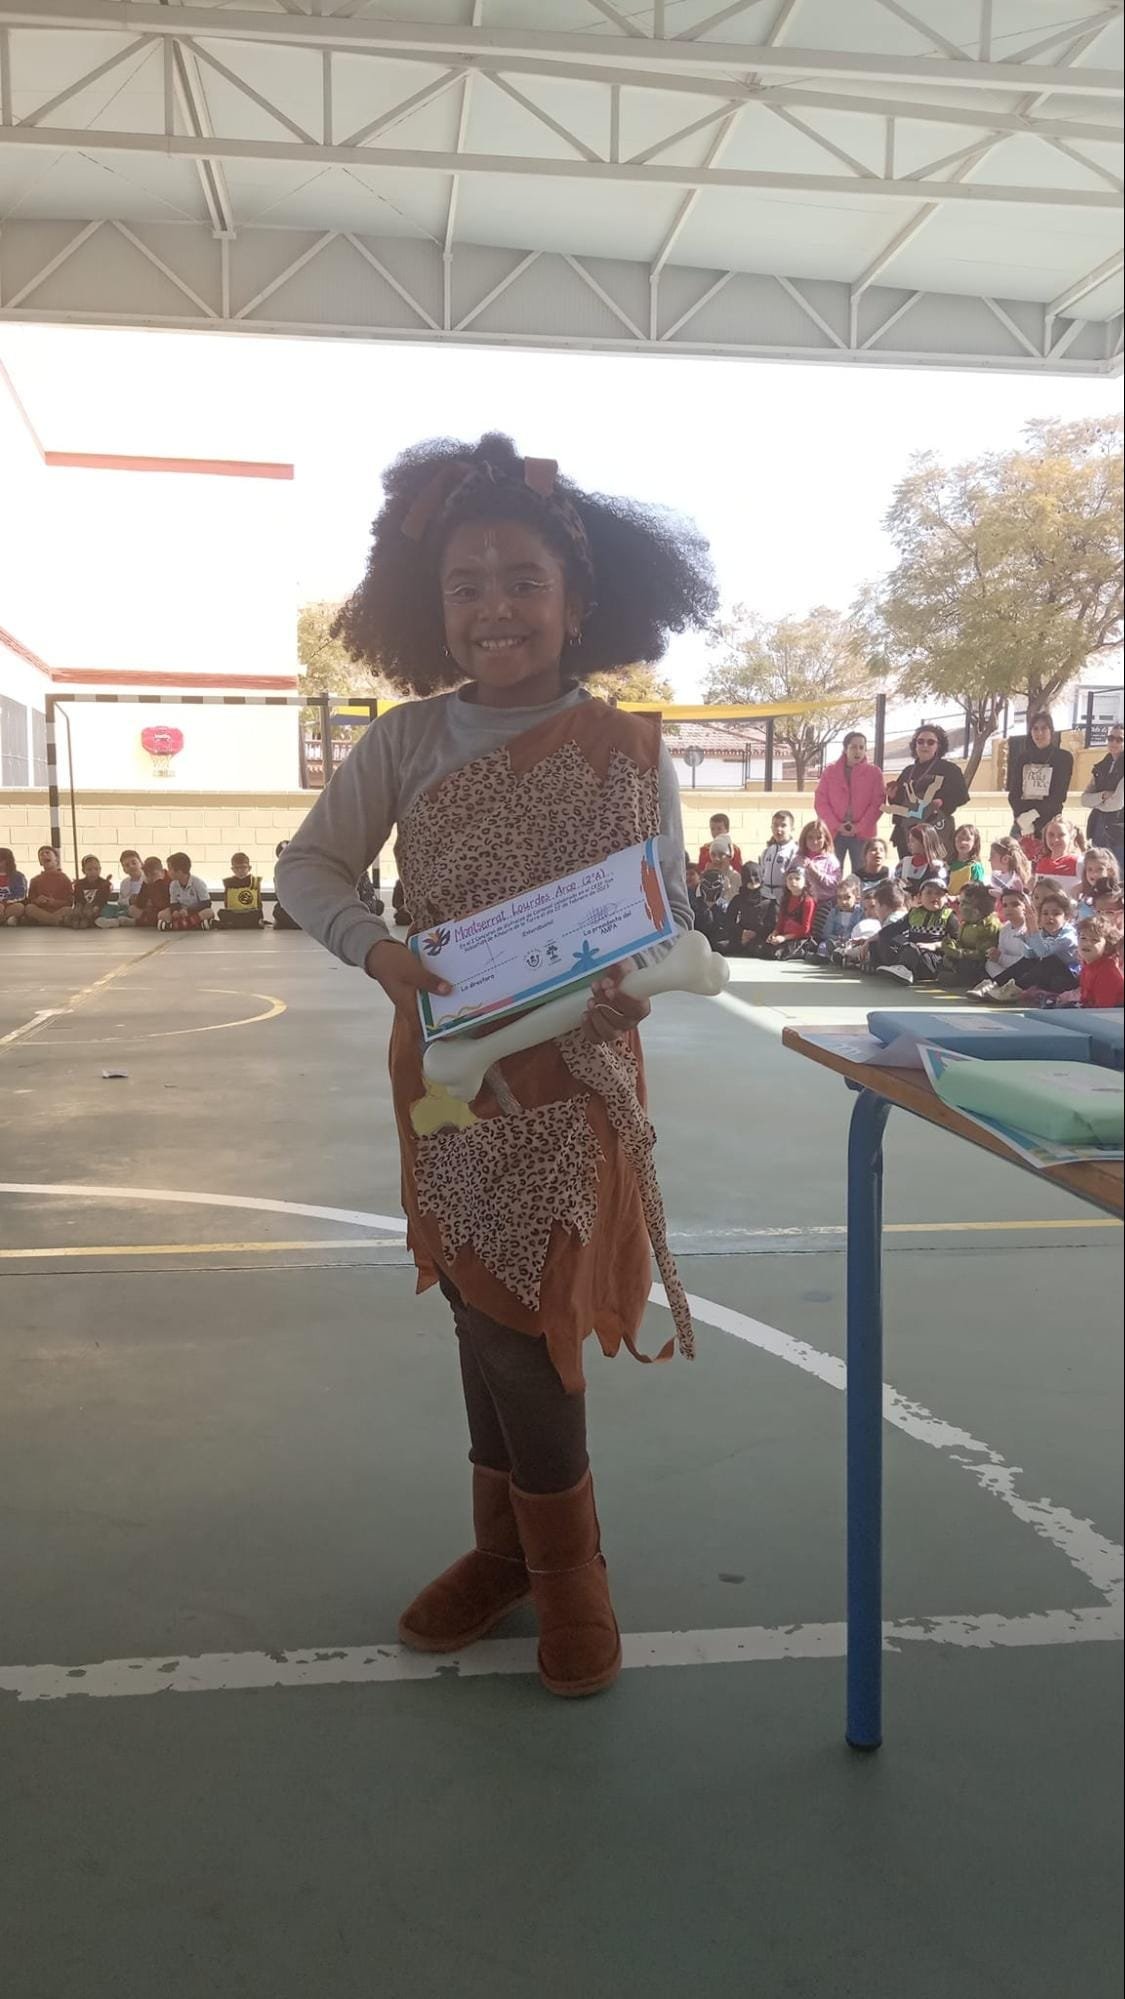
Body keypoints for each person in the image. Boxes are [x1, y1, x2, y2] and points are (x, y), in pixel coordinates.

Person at [274, 428, 716, 1700]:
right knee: (478, 1300)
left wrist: (637, 981)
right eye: (465, 585)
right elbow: (310, 867)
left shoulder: (632, 750)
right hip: (450, 1070)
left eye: (523, 579)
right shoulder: (404, 742)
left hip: (581, 1076)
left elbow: (672, 910)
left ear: (578, 602)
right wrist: (376, 949)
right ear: (433, 608)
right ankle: (506, 1551)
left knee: (536, 1318)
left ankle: (571, 1573)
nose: (494, 607)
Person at [969, 889, 1079, 1002]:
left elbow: (1043, 953)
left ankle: (1012, 989)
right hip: (1049, 979)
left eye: (1056, 914)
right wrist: (1027, 938)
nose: (1050, 917)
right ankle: (995, 984)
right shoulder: (1045, 933)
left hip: (1067, 981)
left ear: (1067, 917)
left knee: (1050, 960)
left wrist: (1033, 929)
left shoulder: (1068, 937)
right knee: (1029, 960)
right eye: (1045, 913)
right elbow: (1029, 955)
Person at [887, 723, 969, 863]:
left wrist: (942, 802)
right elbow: (899, 802)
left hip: (936, 831)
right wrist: (893, 796)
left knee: (935, 871)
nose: (925, 745)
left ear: (938, 746)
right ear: (915, 745)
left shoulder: (950, 769)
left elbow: (961, 795)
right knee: (908, 871)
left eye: (930, 742)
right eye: (920, 741)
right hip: (907, 833)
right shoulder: (908, 771)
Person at [814, 730, 886, 876]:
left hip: (862, 834)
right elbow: (821, 802)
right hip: (834, 833)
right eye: (853, 747)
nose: (857, 751)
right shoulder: (830, 771)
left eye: (861, 747)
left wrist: (858, 827)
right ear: (845, 749)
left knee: (862, 874)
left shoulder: (874, 773)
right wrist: (836, 825)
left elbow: (878, 804)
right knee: (830, 873)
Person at [869, 877, 958, 986]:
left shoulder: (949, 916)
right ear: (920, 896)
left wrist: (934, 945)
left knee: (911, 948)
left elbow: (956, 941)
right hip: (910, 951)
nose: (934, 896)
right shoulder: (914, 913)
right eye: (929, 893)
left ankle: (905, 970)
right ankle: (879, 965)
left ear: (946, 898)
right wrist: (870, 940)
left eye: (939, 894)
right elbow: (893, 929)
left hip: (930, 958)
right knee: (883, 940)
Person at [1007, 711, 1073, 856]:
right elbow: (1014, 794)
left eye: (1044, 728)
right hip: (1022, 824)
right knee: (1016, 864)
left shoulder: (1063, 758)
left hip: (1048, 825)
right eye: (1035, 728)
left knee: (1046, 867)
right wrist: (1024, 821)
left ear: (1051, 731)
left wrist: (1032, 815)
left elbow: (1058, 796)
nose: (1039, 733)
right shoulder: (1023, 758)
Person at [1080, 723, 1124, 868]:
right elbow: (1084, 799)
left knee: (1118, 873)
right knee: (1097, 870)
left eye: (1119, 739)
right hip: (1098, 826)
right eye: (1111, 738)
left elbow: (1117, 803)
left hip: (1119, 830)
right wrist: (1104, 795)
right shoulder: (1101, 766)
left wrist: (1096, 801)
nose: (1114, 742)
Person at [941, 881, 1000, 987]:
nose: (959, 906)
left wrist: (960, 953)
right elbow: (962, 943)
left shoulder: (988, 926)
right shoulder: (967, 923)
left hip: (977, 964)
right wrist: (952, 945)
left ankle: (965, 979)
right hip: (964, 957)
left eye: (964, 903)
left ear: (976, 910)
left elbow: (982, 954)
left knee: (968, 965)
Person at [796, 818, 840, 940]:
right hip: (801, 903)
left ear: (826, 839)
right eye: (810, 837)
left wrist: (815, 871)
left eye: (819, 837)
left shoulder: (830, 860)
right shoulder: (798, 859)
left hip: (824, 903)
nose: (814, 841)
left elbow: (834, 884)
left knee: (818, 934)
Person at [761, 863, 815, 959]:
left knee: (777, 954)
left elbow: (805, 930)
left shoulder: (808, 901)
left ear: (805, 882)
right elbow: (781, 922)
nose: (793, 881)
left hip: (799, 939)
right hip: (784, 937)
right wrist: (774, 933)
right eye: (790, 878)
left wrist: (784, 938)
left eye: (797, 879)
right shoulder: (785, 899)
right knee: (762, 949)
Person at [719, 862, 774, 957]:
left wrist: (756, 934)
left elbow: (772, 924)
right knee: (720, 946)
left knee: (757, 949)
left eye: (755, 877)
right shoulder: (738, 899)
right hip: (740, 936)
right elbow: (729, 920)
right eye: (748, 877)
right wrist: (742, 933)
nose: (752, 881)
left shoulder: (769, 901)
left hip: (761, 937)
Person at [1075, 915, 1125, 1009]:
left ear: (1107, 946)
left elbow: (1103, 1009)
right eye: (1083, 938)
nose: (1087, 943)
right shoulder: (1088, 964)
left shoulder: (1107, 971)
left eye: (1095, 940)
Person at [985, 888, 1032, 983]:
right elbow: (1000, 955)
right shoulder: (1004, 929)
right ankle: (1005, 983)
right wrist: (994, 954)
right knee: (989, 963)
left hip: (1025, 972)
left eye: (1015, 904)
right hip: (1006, 969)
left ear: (1025, 907)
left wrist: (1000, 957)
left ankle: (1002, 983)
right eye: (1005, 905)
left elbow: (1026, 962)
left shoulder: (1030, 929)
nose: (1009, 908)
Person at [19, 846, 74, 927]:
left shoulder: (64, 878)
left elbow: (69, 902)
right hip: (41, 911)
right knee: (29, 908)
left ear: (56, 859)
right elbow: (30, 900)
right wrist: (37, 900)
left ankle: (45, 921)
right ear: (40, 862)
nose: (44, 855)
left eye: (47, 853)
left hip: (58, 910)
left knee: (68, 910)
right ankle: (53, 921)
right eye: (42, 854)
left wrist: (54, 902)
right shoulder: (35, 880)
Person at [160, 852, 212, 931]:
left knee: (209, 912)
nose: (168, 872)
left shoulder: (198, 882)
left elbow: (206, 903)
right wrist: (175, 911)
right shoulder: (173, 885)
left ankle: (175, 926)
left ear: (179, 871)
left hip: (195, 912)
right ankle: (192, 925)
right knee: (161, 914)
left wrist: (189, 911)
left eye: (170, 869)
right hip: (181, 913)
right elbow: (174, 903)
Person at [816, 878, 864, 963]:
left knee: (856, 950)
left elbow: (860, 933)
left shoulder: (860, 913)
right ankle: (826, 958)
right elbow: (826, 933)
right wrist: (837, 939)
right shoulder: (834, 912)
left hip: (852, 943)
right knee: (823, 946)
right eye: (839, 898)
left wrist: (848, 940)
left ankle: (844, 958)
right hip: (835, 942)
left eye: (847, 897)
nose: (843, 902)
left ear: (857, 898)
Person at [836, 886, 883, 968]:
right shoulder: (862, 923)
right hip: (859, 945)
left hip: (875, 948)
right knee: (851, 949)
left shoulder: (885, 923)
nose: (868, 912)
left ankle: (857, 961)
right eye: (865, 909)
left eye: (872, 907)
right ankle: (845, 956)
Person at [1033, 817, 1083, 893]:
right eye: (1051, 835)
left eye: (1061, 835)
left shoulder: (1079, 863)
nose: (1055, 839)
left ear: (1071, 836)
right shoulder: (1040, 862)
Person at [896, 821, 946, 896]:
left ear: (924, 842)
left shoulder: (937, 868)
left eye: (913, 841)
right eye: (909, 841)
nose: (909, 844)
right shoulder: (903, 864)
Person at [219, 851, 265, 929]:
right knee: (222, 913)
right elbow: (226, 902)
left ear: (249, 868)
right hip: (234, 913)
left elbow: (259, 902)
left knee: (257, 914)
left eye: (243, 867)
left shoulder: (255, 881)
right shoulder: (228, 882)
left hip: (250, 913)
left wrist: (260, 917)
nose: (240, 871)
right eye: (237, 868)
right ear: (232, 869)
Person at [758, 809, 797, 899]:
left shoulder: (795, 851)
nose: (778, 829)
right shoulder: (767, 851)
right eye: (775, 825)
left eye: (783, 825)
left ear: (792, 828)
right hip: (766, 897)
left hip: (784, 898)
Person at [65, 853, 113, 929]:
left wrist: (96, 906)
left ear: (100, 869)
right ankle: (77, 919)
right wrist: (80, 907)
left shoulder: (104, 884)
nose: (93, 872)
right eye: (89, 869)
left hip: (98, 908)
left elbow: (103, 899)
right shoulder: (79, 884)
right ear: (83, 871)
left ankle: (89, 921)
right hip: (83, 907)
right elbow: (78, 899)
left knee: (90, 916)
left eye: (96, 869)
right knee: (74, 915)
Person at [1075, 846, 1120, 920]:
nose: (1094, 873)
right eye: (1090, 869)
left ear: (1110, 871)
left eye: (1100, 869)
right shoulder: (1083, 895)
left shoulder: (1115, 897)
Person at [987, 836, 1032, 902]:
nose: (989, 860)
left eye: (992, 856)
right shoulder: (1000, 878)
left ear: (1005, 859)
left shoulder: (1013, 881)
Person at [947, 824, 986, 899]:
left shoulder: (974, 867)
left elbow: (977, 891)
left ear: (975, 843)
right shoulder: (949, 865)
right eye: (959, 838)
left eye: (967, 839)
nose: (962, 842)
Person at [131, 854, 171, 927]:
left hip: (167, 909)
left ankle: (141, 922)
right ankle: (147, 921)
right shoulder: (148, 881)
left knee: (163, 915)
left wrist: (158, 883)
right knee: (132, 909)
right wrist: (146, 884)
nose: (151, 878)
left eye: (153, 874)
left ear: (162, 871)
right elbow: (140, 904)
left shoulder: (169, 879)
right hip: (153, 910)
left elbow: (165, 903)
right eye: (147, 874)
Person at [271, 839, 301, 930]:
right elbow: (278, 893)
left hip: (300, 905)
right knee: (277, 912)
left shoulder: (301, 868)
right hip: (285, 906)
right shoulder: (278, 870)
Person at [0, 847, 28, 924]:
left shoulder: (18, 876)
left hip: (11, 904)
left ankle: (4, 919)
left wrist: (5, 902)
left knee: (19, 907)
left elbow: (21, 895)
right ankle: (6, 920)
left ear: (7, 861)